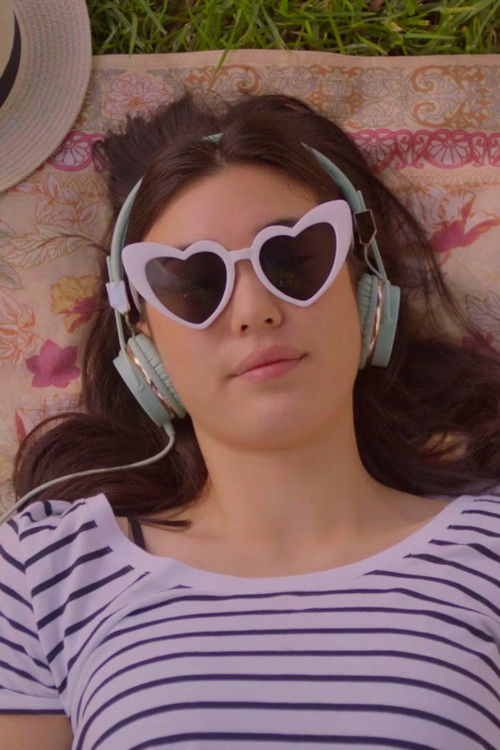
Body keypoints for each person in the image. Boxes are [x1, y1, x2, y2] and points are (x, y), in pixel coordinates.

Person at [0, 89, 499, 750]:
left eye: (294, 259)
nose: (254, 310)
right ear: (144, 345)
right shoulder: (47, 570)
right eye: (193, 283)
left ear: (367, 290)